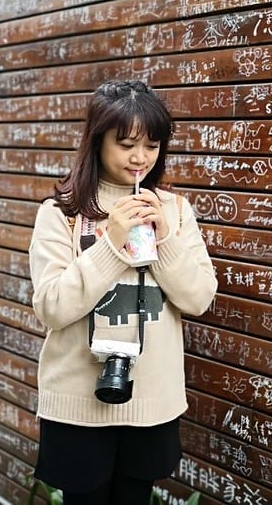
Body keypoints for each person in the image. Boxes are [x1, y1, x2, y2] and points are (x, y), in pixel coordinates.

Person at [28, 80, 218, 504]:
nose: (140, 157)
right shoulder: (61, 212)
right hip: (77, 403)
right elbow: (52, 307)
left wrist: (165, 239)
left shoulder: (175, 210)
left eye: (151, 145)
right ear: (97, 142)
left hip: (152, 402)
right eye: (126, 143)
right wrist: (111, 245)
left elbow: (199, 298)